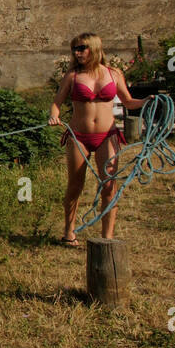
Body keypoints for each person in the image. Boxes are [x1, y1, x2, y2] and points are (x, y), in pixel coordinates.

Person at [48, 33, 146, 247]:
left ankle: (107, 240)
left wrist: (147, 101)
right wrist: (54, 115)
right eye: (74, 49)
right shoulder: (72, 76)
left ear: (94, 48)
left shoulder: (114, 73)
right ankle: (69, 233)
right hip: (78, 136)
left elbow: (128, 102)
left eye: (82, 48)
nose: (77, 53)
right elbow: (57, 102)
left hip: (107, 136)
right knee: (75, 185)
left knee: (109, 186)